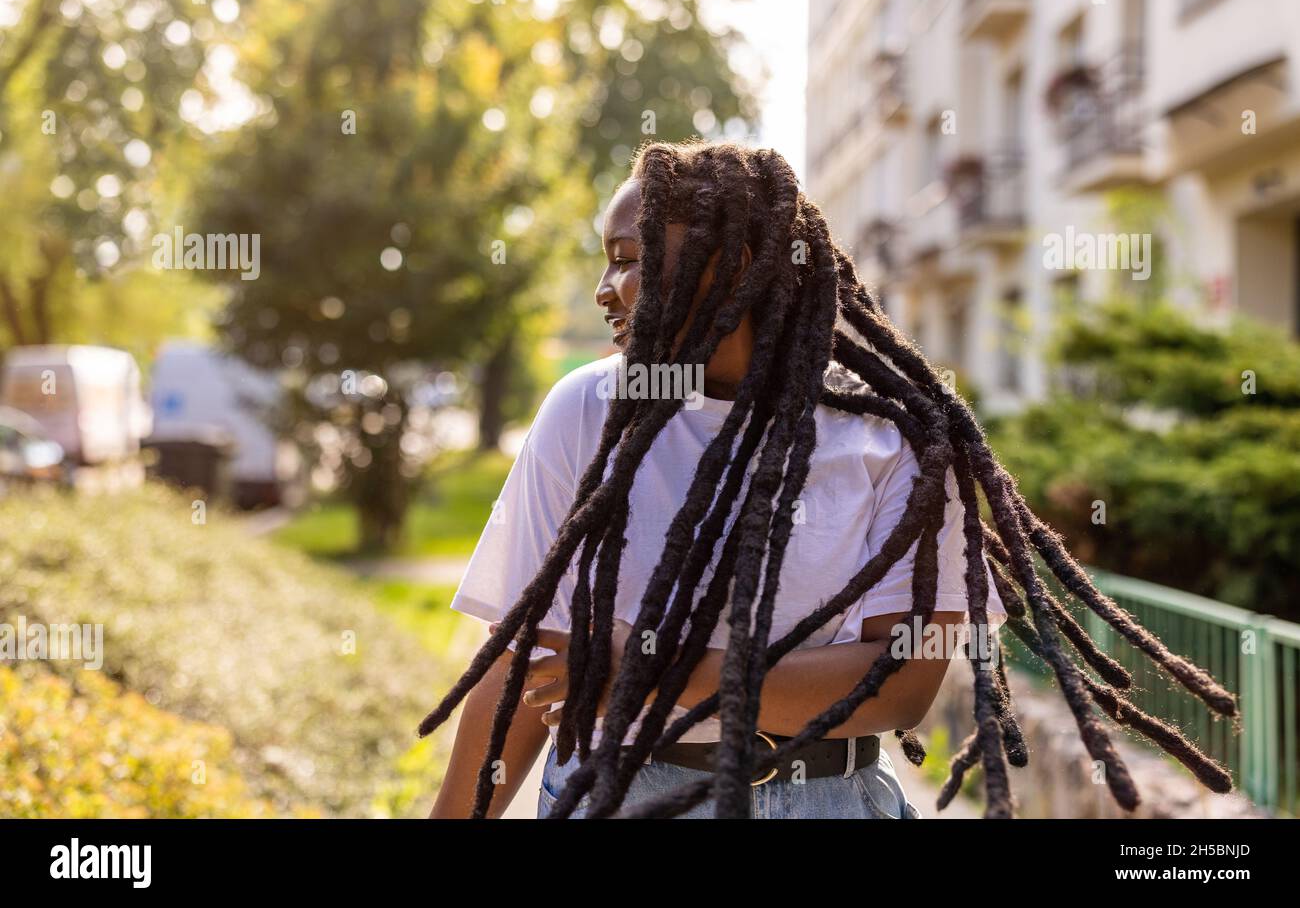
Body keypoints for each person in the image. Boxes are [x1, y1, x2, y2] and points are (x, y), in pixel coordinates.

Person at [425, 141, 1236, 820]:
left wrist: (649, 672)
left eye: (628, 261)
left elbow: (902, 681)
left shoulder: (901, 437)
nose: (605, 290)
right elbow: (521, 659)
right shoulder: (585, 412)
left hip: (829, 798)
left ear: (732, 264)